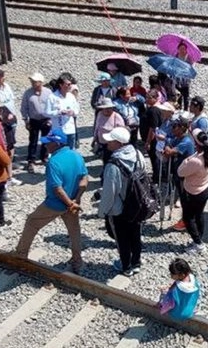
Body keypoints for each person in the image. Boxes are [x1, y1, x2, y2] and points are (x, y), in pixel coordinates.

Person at [13, 129, 88, 274]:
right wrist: (76, 200)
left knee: (31, 222)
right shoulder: (77, 156)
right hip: (73, 203)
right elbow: (84, 180)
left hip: (55, 204)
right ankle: (77, 261)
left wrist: (69, 203)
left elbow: (57, 189)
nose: (45, 145)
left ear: (57, 143)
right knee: (74, 231)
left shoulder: (53, 162)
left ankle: (21, 255)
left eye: (48, 143)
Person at [98, 127, 144, 276]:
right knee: (135, 234)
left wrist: (102, 211)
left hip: (119, 208)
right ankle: (136, 262)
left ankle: (126, 267)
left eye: (110, 140)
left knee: (122, 238)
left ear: (118, 143)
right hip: (136, 204)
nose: (107, 143)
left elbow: (110, 191)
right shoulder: (137, 154)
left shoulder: (113, 164)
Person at [177, 129, 208, 254]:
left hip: (193, 192)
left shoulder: (195, 161)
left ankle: (198, 243)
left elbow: (180, 171)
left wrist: (187, 159)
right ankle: (199, 239)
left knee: (188, 218)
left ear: (196, 143)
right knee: (199, 214)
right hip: (205, 187)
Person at [20, 71, 53, 173]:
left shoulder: (48, 92)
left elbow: (53, 105)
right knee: (33, 141)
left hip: (46, 120)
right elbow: (24, 107)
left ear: (41, 82)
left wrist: (51, 119)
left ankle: (44, 156)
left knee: (46, 140)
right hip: (33, 120)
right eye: (32, 81)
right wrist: (25, 120)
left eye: (35, 81)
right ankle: (31, 160)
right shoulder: (28, 93)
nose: (33, 83)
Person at [46, 73, 81, 150]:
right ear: (61, 85)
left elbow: (77, 109)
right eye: (68, 84)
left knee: (71, 151)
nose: (70, 86)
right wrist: (59, 112)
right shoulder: (52, 97)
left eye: (70, 84)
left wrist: (73, 112)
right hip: (58, 130)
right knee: (58, 152)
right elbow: (47, 112)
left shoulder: (71, 96)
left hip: (70, 129)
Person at [92, 98, 128, 164]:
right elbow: (97, 127)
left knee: (112, 158)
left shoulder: (117, 116)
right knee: (105, 158)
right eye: (105, 108)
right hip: (102, 142)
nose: (107, 110)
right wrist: (95, 138)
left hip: (113, 144)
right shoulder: (100, 114)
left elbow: (122, 131)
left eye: (109, 108)